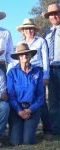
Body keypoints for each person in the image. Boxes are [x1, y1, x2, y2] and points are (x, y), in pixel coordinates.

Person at [16, 18, 53, 140]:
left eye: (31, 28)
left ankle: (47, 130)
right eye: (27, 28)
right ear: (23, 31)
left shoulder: (41, 41)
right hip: (24, 72)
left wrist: (46, 76)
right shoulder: (20, 44)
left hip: (38, 72)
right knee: (25, 99)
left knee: (41, 101)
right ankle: (23, 125)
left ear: (34, 29)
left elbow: (45, 59)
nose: (29, 30)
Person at [7, 43, 44, 145]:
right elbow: (10, 95)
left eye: (27, 54)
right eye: (22, 54)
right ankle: (15, 130)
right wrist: (19, 110)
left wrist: (30, 109)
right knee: (16, 142)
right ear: (18, 57)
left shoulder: (37, 72)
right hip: (16, 109)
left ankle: (28, 130)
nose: (25, 56)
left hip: (32, 109)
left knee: (28, 141)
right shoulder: (12, 72)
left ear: (30, 56)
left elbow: (41, 96)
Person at [43, 3, 60, 135]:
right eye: (51, 15)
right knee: (53, 101)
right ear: (49, 17)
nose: (54, 16)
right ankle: (55, 129)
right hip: (51, 70)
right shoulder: (47, 33)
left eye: (56, 13)